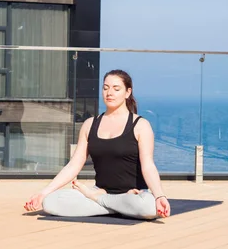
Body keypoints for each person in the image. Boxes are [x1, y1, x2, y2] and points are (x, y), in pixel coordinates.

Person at [24, 69, 171, 219]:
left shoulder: (141, 125)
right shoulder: (90, 124)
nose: (109, 93)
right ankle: (114, 205)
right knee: (51, 202)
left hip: (132, 195)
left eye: (116, 88)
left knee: (148, 207)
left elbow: (148, 165)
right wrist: (43, 192)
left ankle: (100, 201)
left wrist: (159, 196)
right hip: (99, 190)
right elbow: (74, 165)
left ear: (127, 92)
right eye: (105, 88)